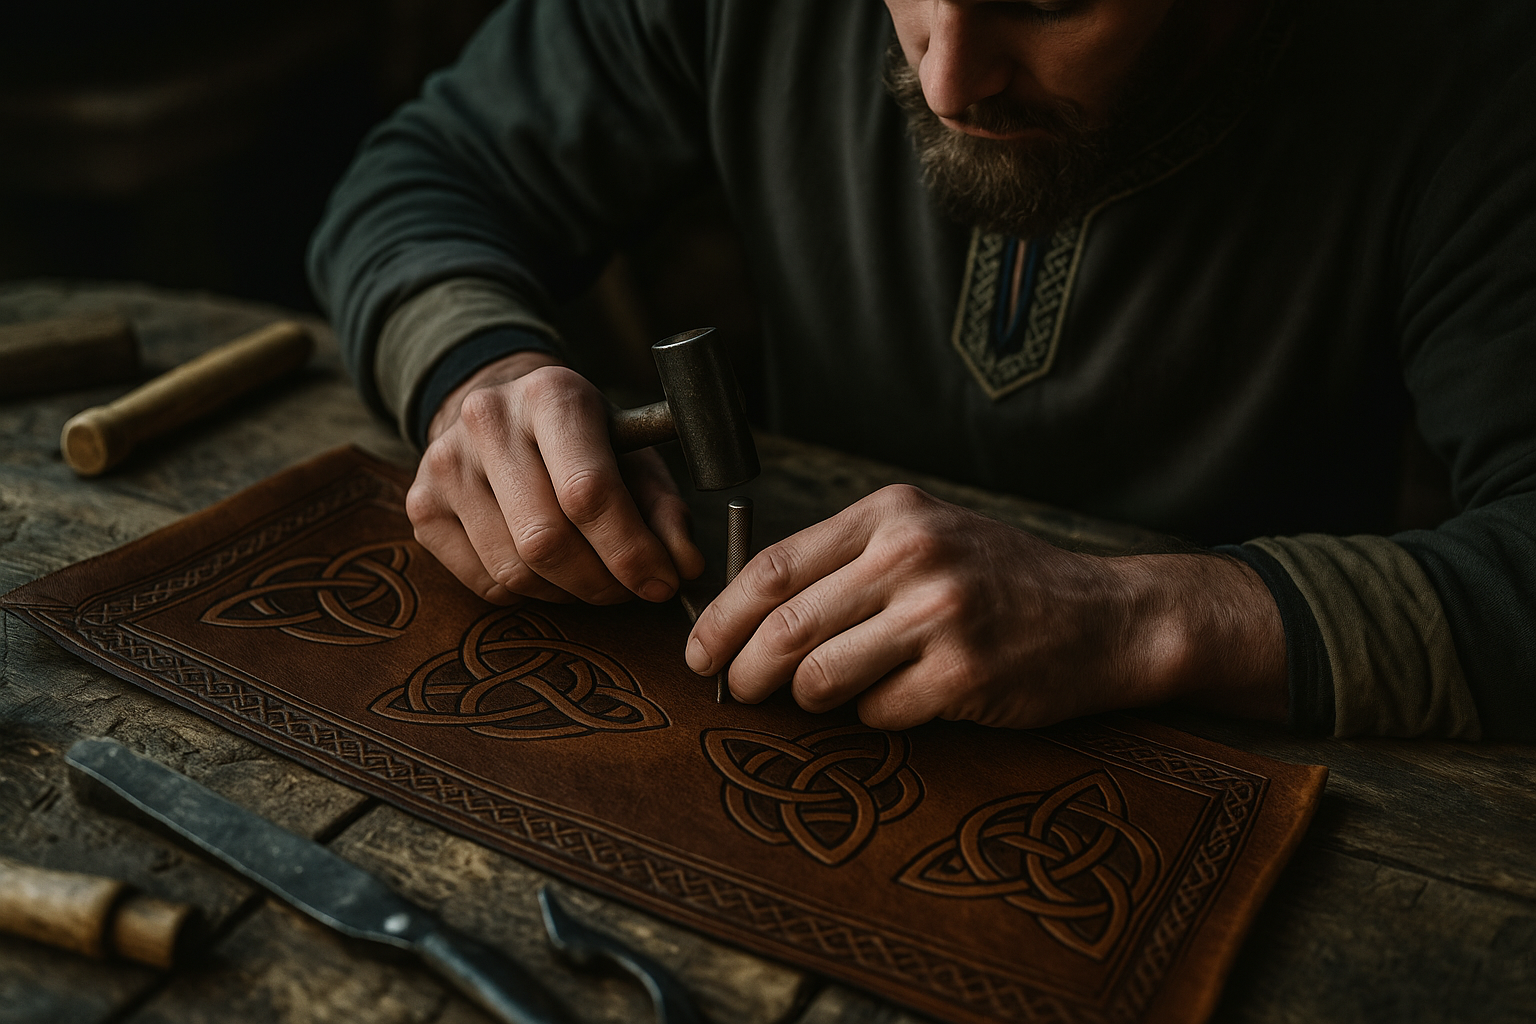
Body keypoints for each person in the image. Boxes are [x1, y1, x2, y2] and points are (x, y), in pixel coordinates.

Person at [309, 0, 1536, 741]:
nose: (948, 80)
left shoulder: (1472, 72)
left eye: (1050, 2)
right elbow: (428, 175)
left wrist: (1142, 619)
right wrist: (482, 377)